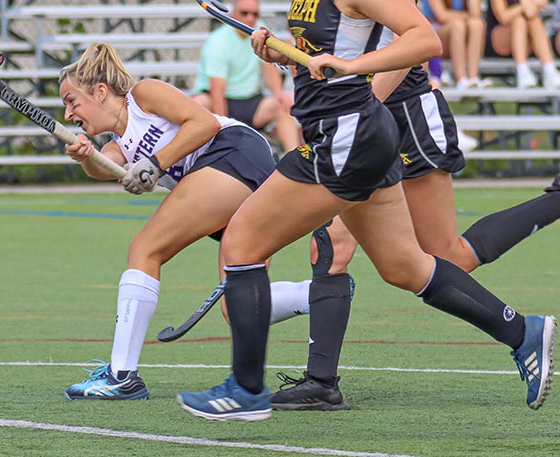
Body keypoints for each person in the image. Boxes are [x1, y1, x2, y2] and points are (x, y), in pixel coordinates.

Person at [177, 0, 556, 421]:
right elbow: (327, 51)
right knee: (403, 266)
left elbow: (424, 38)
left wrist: (354, 69)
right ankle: (523, 332)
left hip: (345, 136)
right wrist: (283, 52)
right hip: (349, 132)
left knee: (242, 242)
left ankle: (247, 391)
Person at [267, 25, 560, 412]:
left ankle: (526, 320)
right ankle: (321, 382)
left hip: (403, 118)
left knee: (445, 257)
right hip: (357, 122)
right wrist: (289, 56)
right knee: (346, 247)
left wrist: (355, 110)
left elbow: (415, 42)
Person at [57, 42, 320, 400]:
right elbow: (102, 167)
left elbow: (204, 123)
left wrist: (157, 163)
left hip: (233, 152)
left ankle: (121, 376)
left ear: (100, 91)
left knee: (145, 249)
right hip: (238, 173)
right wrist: (84, 155)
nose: (70, 114)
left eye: (72, 101)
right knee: (238, 303)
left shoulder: (143, 95)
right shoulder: (119, 146)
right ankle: (323, 294)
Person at [192, 0, 302, 154]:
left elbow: (268, 67)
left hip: (250, 101)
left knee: (283, 104)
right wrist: (225, 130)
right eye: (244, 13)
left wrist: (278, 94)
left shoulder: (259, 31)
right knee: (198, 103)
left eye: (255, 14)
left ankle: (294, 157)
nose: (250, 18)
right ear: (233, 14)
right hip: (219, 101)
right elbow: (217, 91)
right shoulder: (218, 41)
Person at [485, 0, 560, 88]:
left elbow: (531, 12)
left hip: (526, 41)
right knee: (519, 21)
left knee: (534, 21)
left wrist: (524, 6)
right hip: (500, 40)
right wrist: (524, 5)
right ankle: (522, 71)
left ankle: (549, 70)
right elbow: (504, 17)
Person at [421, 0, 490, 89]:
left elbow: (476, 14)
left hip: (460, 35)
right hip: (437, 35)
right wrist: (468, 16)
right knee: (458, 25)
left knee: (477, 24)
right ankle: (461, 79)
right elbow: (442, 16)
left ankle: (473, 77)